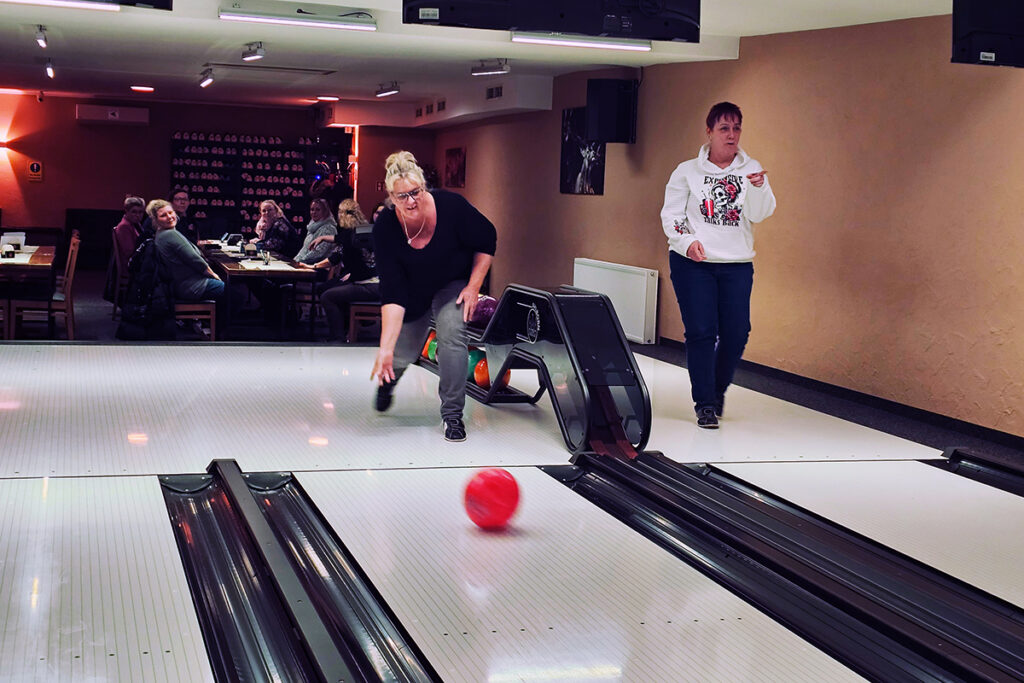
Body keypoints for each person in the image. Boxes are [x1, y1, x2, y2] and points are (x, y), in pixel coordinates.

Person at [660, 101, 776, 429]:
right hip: (692, 263)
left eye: (737, 128)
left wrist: (758, 187)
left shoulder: (750, 167)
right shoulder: (686, 171)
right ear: (709, 132)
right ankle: (705, 404)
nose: (732, 134)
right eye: (724, 128)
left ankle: (717, 389)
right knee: (701, 332)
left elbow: (760, 213)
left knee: (737, 333)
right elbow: (672, 215)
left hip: (737, 263)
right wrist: (687, 242)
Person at [370, 151, 496, 442]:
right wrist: (385, 348)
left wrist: (474, 285)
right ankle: (388, 383)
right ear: (390, 196)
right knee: (403, 351)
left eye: (415, 192)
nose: (411, 201)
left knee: (452, 334)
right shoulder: (386, 228)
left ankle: (452, 415)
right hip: (410, 289)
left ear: (424, 186)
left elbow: (487, 239)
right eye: (402, 197)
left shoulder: (452, 207)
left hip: (452, 282)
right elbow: (392, 291)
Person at [295, 199, 379, 341]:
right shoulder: (362, 230)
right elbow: (339, 245)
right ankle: (347, 328)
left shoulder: (352, 234)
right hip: (367, 280)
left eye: (340, 212)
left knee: (328, 296)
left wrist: (313, 266)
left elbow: (337, 255)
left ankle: (338, 337)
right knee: (328, 290)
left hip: (368, 284)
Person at [149, 199, 226, 304]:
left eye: (170, 212)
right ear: (156, 220)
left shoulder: (161, 234)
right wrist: (215, 276)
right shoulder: (170, 234)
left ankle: (213, 318)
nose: (169, 217)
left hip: (178, 285)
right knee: (234, 293)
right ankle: (219, 320)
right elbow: (195, 260)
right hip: (191, 286)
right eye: (163, 215)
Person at [292, 198, 338, 265]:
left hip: (318, 268)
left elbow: (318, 254)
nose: (314, 212)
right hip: (306, 264)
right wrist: (295, 260)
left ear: (325, 211)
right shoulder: (312, 228)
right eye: (312, 209)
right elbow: (304, 250)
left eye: (318, 210)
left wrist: (300, 262)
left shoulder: (329, 229)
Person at [113, 196, 145, 267]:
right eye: (134, 212)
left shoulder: (135, 224)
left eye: (140, 212)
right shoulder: (124, 226)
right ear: (126, 211)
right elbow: (129, 252)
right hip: (131, 266)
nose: (137, 215)